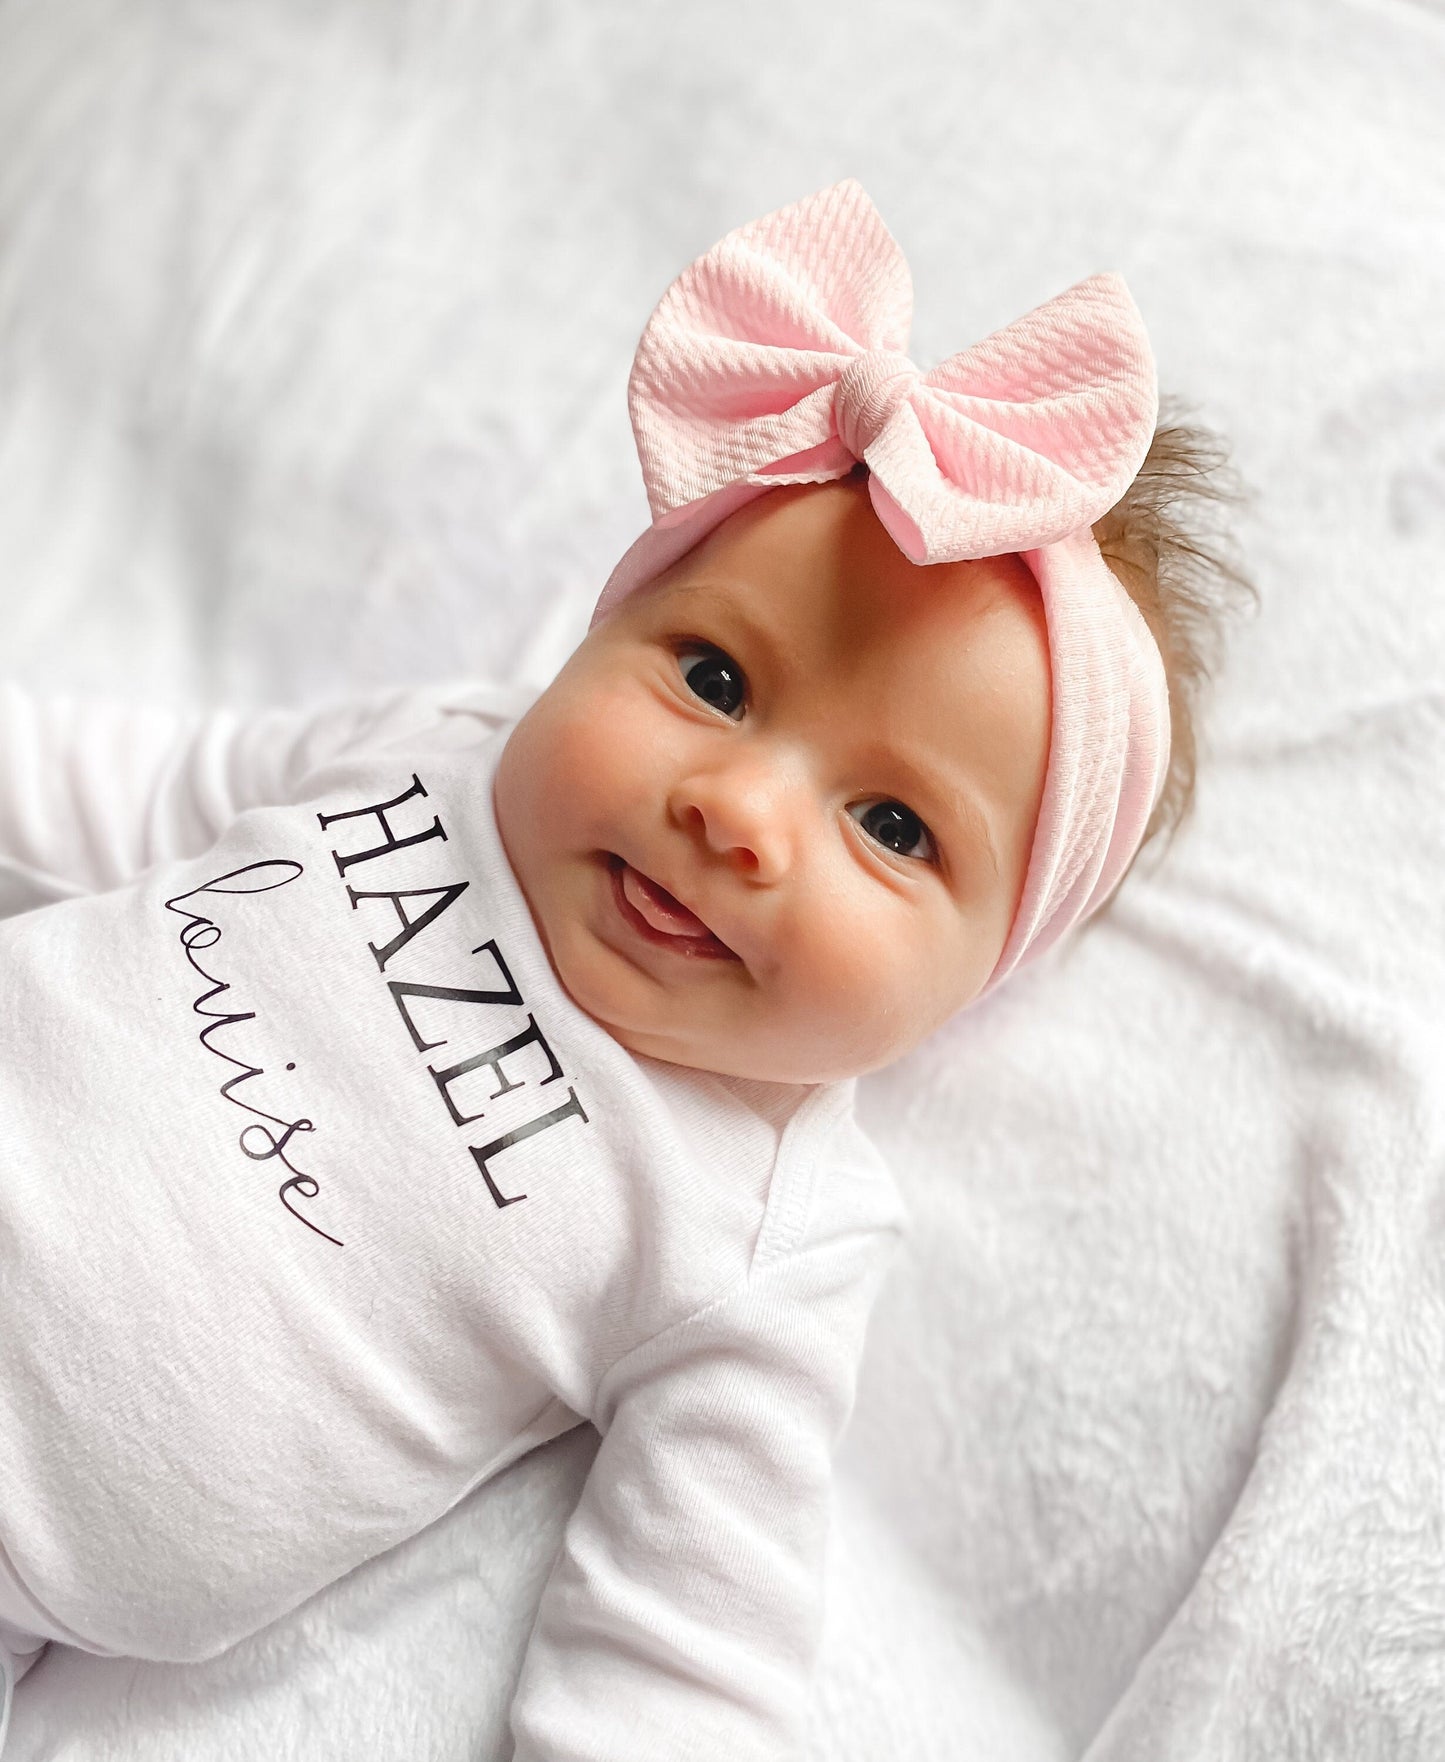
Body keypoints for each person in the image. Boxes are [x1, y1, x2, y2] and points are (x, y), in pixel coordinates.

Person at [0, 180, 1253, 1758]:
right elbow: (120, 788)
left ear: (976, 978)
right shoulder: (442, 751)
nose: (736, 811)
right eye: (713, 677)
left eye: (889, 825)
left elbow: (688, 1634)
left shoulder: (765, 1222)